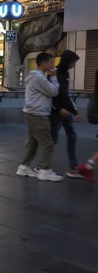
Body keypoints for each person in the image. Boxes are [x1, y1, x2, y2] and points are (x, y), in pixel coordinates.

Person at [16, 52, 62, 181]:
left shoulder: (35, 76)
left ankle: (23, 167)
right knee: (47, 143)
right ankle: (45, 170)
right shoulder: (39, 78)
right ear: (43, 63)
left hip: (32, 112)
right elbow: (53, 91)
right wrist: (53, 78)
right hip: (38, 113)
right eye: (51, 62)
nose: (53, 65)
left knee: (32, 141)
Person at [50, 50, 81, 178]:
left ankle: (74, 167)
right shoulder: (54, 73)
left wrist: (74, 111)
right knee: (52, 140)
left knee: (72, 136)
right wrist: (58, 109)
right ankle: (42, 165)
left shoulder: (66, 74)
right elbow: (52, 93)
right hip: (56, 112)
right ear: (67, 61)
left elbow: (66, 94)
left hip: (66, 111)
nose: (73, 65)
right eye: (72, 62)